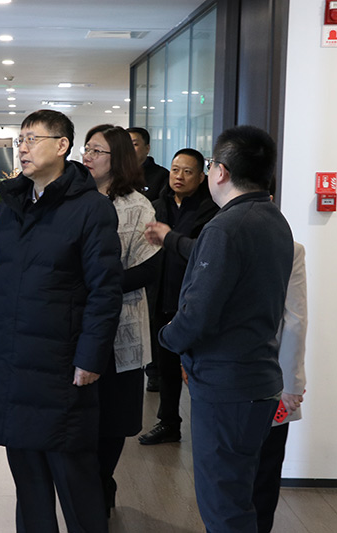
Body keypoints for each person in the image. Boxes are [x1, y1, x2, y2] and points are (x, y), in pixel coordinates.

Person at [0, 109, 123, 533]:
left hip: (61, 365)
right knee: (28, 481)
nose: (22, 148)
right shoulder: (12, 202)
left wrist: (90, 357)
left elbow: (105, 290)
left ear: (62, 145)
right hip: (12, 360)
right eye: (19, 139)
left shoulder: (91, 208)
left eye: (32, 139)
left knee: (75, 479)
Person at [158, 125, 293, 532]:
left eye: (210, 164)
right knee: (241, 498)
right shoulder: (274, 218)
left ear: (220, 172)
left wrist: (167, 336)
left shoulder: (226, 226)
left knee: (223, 507)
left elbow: (199, 315)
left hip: (227, 386)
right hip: (258, 380)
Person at [82, 124, 161, 516]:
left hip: (120, 325)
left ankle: (102, 483)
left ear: (118, 159)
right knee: (79, 413)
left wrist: (100, 287)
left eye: (97, 151)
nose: (87, 156)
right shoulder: (75, 199)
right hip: (76, 324)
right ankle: (83, 487)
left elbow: (148, 269)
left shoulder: (137, 206)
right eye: (86, 148)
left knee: (112, 417)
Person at [139, 149, 218, 444]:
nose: (179, 177)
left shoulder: (211, 210)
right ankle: (169, 422)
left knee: (199, 367)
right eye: (175, 170)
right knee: (167, 367)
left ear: (201, 177)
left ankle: (207, 429)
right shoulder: (156, 206)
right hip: (161, 295)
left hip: (194, 298)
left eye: (187, 171)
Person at [253, 237, 307, 533]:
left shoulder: (216, 240)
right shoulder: (289, 248)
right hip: (270, 377)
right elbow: (295, 320)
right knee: (265, 470)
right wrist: (292, 384)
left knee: (225, 472)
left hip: (223, 379)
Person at [126, 127, 169, 201]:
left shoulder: (162, 175)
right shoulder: (114, 173)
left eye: (134, 144)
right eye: (126, 144)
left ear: (147, 148)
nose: (129, 148)